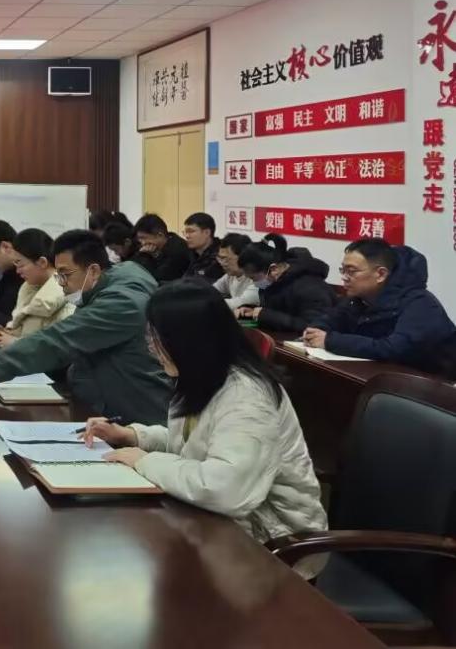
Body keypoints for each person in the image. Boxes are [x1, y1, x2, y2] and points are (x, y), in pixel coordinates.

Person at [83, 281, 326, 566]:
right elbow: (194, 445)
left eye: (156, 338)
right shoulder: (204, 375)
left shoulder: (247, 397)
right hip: (221, 522)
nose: (151, 347)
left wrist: (144, 461)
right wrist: (133, 436)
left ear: (188, 340)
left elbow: (226, 489)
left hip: (273, 543)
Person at [0, 229, 172, 425]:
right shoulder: (106, 286)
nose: (61, 283)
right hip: (105, 409)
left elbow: (60, 339)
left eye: (65, 274)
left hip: (136, 417)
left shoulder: (122, 304)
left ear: (93, 271)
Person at [304, 239, 456, 377]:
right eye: (342, 270)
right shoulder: (358, 299)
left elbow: (394, 349)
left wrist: (330, 341)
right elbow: (330, 319)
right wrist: (315, 331)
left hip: (433, 386)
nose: (344, 277)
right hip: (381, 378)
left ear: (381, 274)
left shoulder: (421, 304)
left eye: (351, 271)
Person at [235, 234, 335, 339]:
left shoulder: (311, 288)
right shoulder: (272, 282)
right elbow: (272, 319)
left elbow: (314, 328)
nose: (254, 283)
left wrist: (264, 315)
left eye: (253, 278)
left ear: (273, 269)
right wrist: (247, 316)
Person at [0, 227, 74, 348]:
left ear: (42, 262)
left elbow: (59, 349)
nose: (17, 271)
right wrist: (9, 333)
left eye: (20, 264)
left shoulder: (68, 296)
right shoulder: (30, 289)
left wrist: (14, 343)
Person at [132, 213, 193, 283]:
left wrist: (145, 256)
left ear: (160, 235)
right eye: (140, 239)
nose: (142, 243)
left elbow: (156, 280)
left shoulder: (177, 251)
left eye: (144, 238)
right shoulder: (163, 245)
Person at [213, 232, 259, 310]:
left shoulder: (258, 278)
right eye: (220, 258)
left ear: (243, 257)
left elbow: (238, 304)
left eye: (225, 258)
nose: (222, 263)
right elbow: (211, 291)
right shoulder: (230, 275)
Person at [182, 212, 223, 282]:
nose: (187, 236)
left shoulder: (219, 257)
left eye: (191, 231)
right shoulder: (189, 252)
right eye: (185, 232)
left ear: (207, 232)